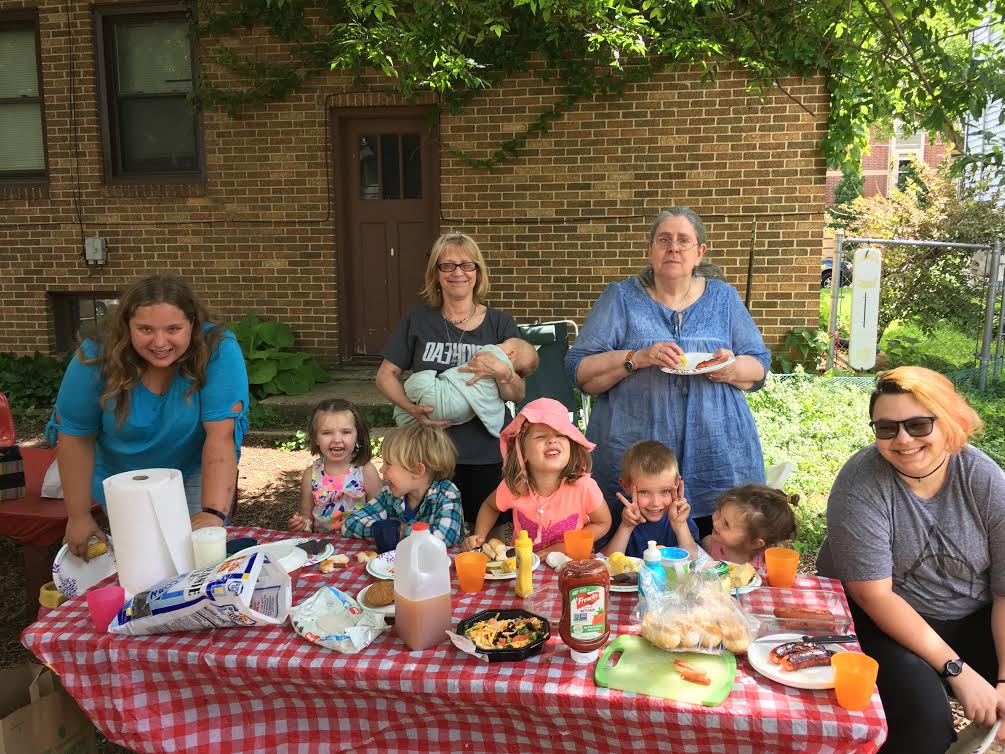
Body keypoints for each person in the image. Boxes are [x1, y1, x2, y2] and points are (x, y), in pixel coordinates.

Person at [816, 367, 1005, 753]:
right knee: (924, 722)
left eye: (919, 424)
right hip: (889, 622)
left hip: (975, 616)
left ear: (949, 422)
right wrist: (957, 671)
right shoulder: (860, 483)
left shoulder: (982, 477)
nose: (903, 440)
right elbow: (875, 596)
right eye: (886, 428)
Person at [565, 207, 771, 544]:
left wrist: (729, 368)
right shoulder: (620, 298)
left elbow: (760, 366)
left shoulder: (724, 298)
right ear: (649, 250)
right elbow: (579, 371)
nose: (673, 248)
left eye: (683, 241)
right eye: (664, 240)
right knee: (627, 560)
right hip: (634, 452)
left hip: (715, 450)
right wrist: (636, 357)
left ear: (700, 252)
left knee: (713, 553)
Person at [47, 275, 249, 559]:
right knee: (142, 560)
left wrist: (212, 512)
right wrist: (78, 516)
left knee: (198, 558)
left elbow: (221, 435)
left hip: (190, 469)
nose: (159, 342)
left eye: (173, 329)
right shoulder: (95, 355)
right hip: (121, 476)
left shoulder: (217, 348)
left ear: (193, 323)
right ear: (126, 326)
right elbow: (75, 436)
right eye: (145, 329)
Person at [376, 232, 528, 527]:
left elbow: (516, 394)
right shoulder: (418, 320)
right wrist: (412, 410)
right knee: (428, 537)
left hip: (483, 454)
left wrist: (504, 373)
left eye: (466, 265)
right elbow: (386, 375)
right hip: (425, 457)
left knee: (487, 538)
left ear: (477, 273)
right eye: (447, 266)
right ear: (436, 274)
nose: (457, 272)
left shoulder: (500, 324)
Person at [462, 397, 612, 556]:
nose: (552, 440)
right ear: (522, 452)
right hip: (525, 569)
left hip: (574, 567)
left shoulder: (584, 486)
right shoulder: (514, 486)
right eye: (541, 436)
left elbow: (603, 522)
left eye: (561, 435)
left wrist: (560, 548)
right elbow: (490, 506)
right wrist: (479, 537)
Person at [342, 423, 464, 546]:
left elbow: (445, 536)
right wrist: (385, 531)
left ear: (417, 470)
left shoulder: (446, 493)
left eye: (388, 463)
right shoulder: (388, 494)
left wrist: (401, 531)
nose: (381, 469)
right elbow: (350, 524)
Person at [392, 337, 539, 438]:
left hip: (444, 396)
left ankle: (406, 413)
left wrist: (504, 370)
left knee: (419, 380)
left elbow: (518, 395)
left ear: (511, 354)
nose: (498, 344)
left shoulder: (493, 352)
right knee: (420, 409)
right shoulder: (416, 318)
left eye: (503, 343)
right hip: (458, 413)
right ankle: (407, 413)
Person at [287, 399, 382, 534]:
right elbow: (306, 515)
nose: (337, 439)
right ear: (315, 438)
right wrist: (302, 523)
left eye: (346, 432)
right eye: (327, 433)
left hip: (362, 544)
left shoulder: (365, 470)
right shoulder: (310, 475)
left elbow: (381, 511)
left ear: (358, 435)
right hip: (322, 548)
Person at [601, 440, 699, 559]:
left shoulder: (679, 515)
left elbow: (693, 558)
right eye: (644, 492)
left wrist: (680, 525)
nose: (656, 503)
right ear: (625, 486)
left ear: (677, 484)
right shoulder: (615, 514)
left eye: (665, 491)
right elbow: (604, 563)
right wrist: (626, 527)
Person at [699, 484, 798, 570]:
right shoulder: (714, 544)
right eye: (719, 511)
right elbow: (693, 554)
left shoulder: (764, 567)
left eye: (726, 524)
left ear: (755, 543)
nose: (716, 523)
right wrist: (682, 524)